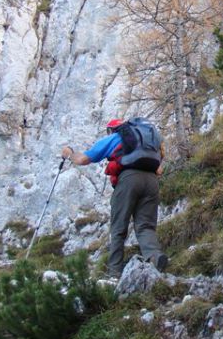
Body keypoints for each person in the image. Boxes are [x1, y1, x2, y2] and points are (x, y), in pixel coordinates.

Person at [62, 119, 168, 278]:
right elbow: (159, 169)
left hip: (128, 180)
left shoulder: (114, 138)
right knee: (145, 225)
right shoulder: (149, 140)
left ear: (112, 129)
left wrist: (69, 154)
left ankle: (114, 272)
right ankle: (154, 257)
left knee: (119, 227)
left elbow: (82, 159)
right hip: (151, 181)